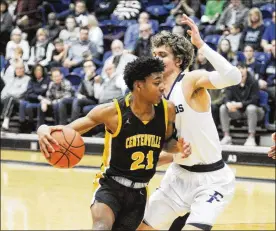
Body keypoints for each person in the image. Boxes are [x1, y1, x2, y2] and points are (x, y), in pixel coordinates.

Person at [37, 57, 192, 230]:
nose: (163, 86)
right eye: (157, 83)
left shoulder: (167, 109)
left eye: (162, 81)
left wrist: (176, 148)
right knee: (101, 226)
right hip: (110, 186)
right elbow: (66, 131)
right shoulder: (112, 112)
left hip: (139, 192)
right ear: (139, 85)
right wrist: (42, 128)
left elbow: (167, 143)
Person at [138, 14, 241, 231]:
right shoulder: (153, 96)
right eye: (154, 54)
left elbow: (233, 77)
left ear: (178, 60)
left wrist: (201, 45)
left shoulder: (190, 81)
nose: (156, 58)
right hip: (177, 176)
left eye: (162, 54)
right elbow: (168, 149)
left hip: (211, 179)